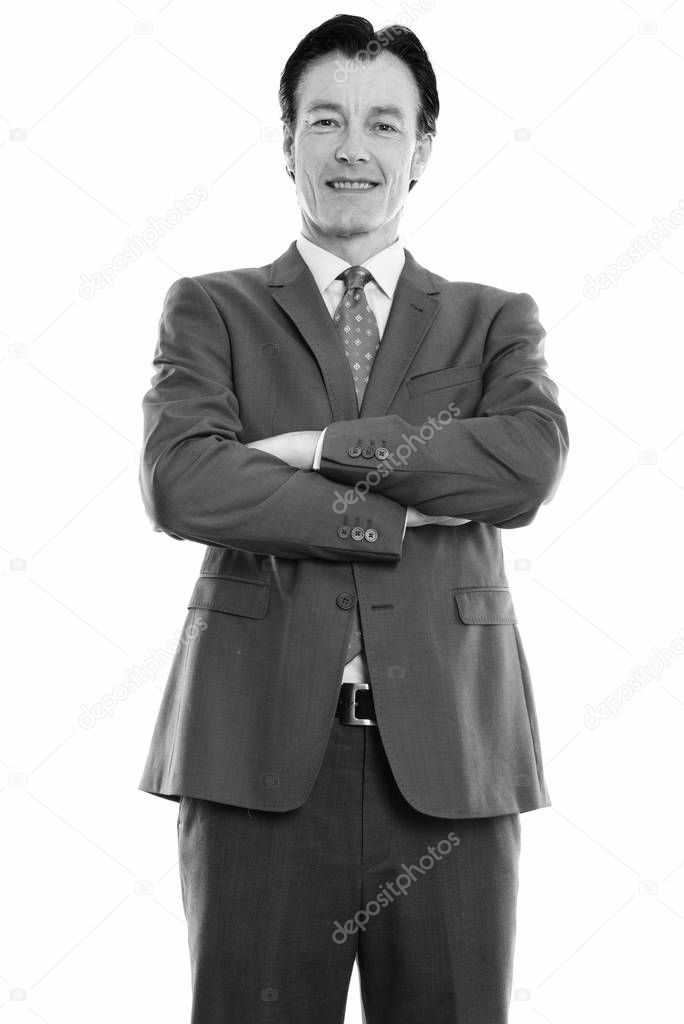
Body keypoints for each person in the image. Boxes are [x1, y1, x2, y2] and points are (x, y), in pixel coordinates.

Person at [137, 14, 569, 1023]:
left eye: (384, 123)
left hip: (455, 762)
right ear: (285, 137)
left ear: (421, 149)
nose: (352, 149)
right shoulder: (211, 308)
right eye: (324, 120)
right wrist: (392, 515)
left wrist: (312, 449)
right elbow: (185, 485)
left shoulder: (493, 316)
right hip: (256, 756)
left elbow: (522, 467)